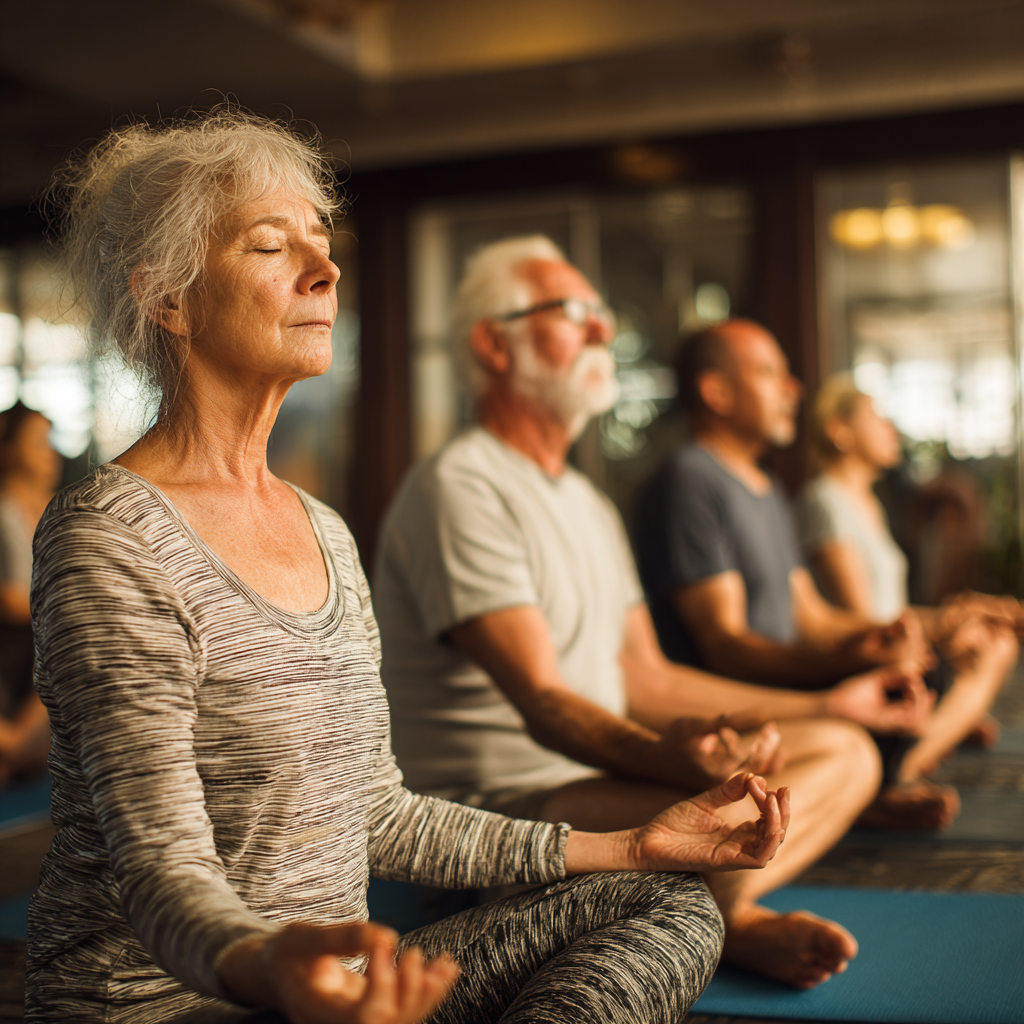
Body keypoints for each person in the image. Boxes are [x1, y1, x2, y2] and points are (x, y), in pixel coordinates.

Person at [26, 111, 792, 1024]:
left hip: (342, 987)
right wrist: (271, 970)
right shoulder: (108, 535)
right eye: (272, 247)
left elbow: (382, 816)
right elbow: (160, 868)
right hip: (172, 1003)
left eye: (322, 239)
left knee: (668, 900)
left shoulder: (324, 529)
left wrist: (635, 843)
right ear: (168, 300)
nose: (326, 269)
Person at [374, 236, 933, 991]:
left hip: (593, 777)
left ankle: (683, 905)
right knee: (765, 800)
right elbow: (542, 701)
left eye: (601, 314)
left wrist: (828, 703)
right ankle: (704, 914)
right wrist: (673, 762)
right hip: (509, 812)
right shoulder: (460, 485)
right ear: (492, 345)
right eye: (575, 313)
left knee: (843, 748)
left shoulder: (588, 502)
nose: (604, 330)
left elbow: (648, 677)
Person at [633, 318, 960, 829]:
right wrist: (839, 666)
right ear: (716, 392)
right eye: (770, 373)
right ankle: (872, 789)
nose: (794, 389)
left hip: (784, 678)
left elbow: (810, 615)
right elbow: (725, 644)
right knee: (889, 691)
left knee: (922, 664)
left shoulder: (767, 489)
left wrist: (880, 635)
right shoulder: (691, 479)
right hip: (734, 704)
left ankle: (877, 784)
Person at [800, 372, 1019, 779]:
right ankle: (895, 772)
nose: (890, 429)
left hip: (900, 639)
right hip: (869, 659)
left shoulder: (866, 503)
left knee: (991, 636)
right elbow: (866, 620)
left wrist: (958, 616)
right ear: (839, 430)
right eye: (876, 417)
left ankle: (929, 739)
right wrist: (947, 624)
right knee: (994, 645)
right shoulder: (825, 502)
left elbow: (893, 610)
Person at [0, 401, 57, 784]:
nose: (49, 452)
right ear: (10, 448)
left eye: (49, 441)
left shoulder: (59, 509)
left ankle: (16, 746)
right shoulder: (4, 511)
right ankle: (19, 746)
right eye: (37, 441)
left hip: (39, 637)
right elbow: (9, 598)